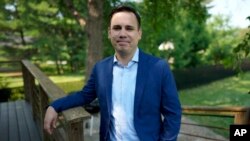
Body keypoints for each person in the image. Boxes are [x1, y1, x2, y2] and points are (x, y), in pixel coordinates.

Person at [44, 5, 182, 141]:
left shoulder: (159, 68)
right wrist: (55, 106)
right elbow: (84, 96)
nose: (122, 34)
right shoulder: (101, 69)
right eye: (117, 28)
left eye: (129, 28)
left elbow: (173, 114)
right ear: (109, 33)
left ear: (139, 33)